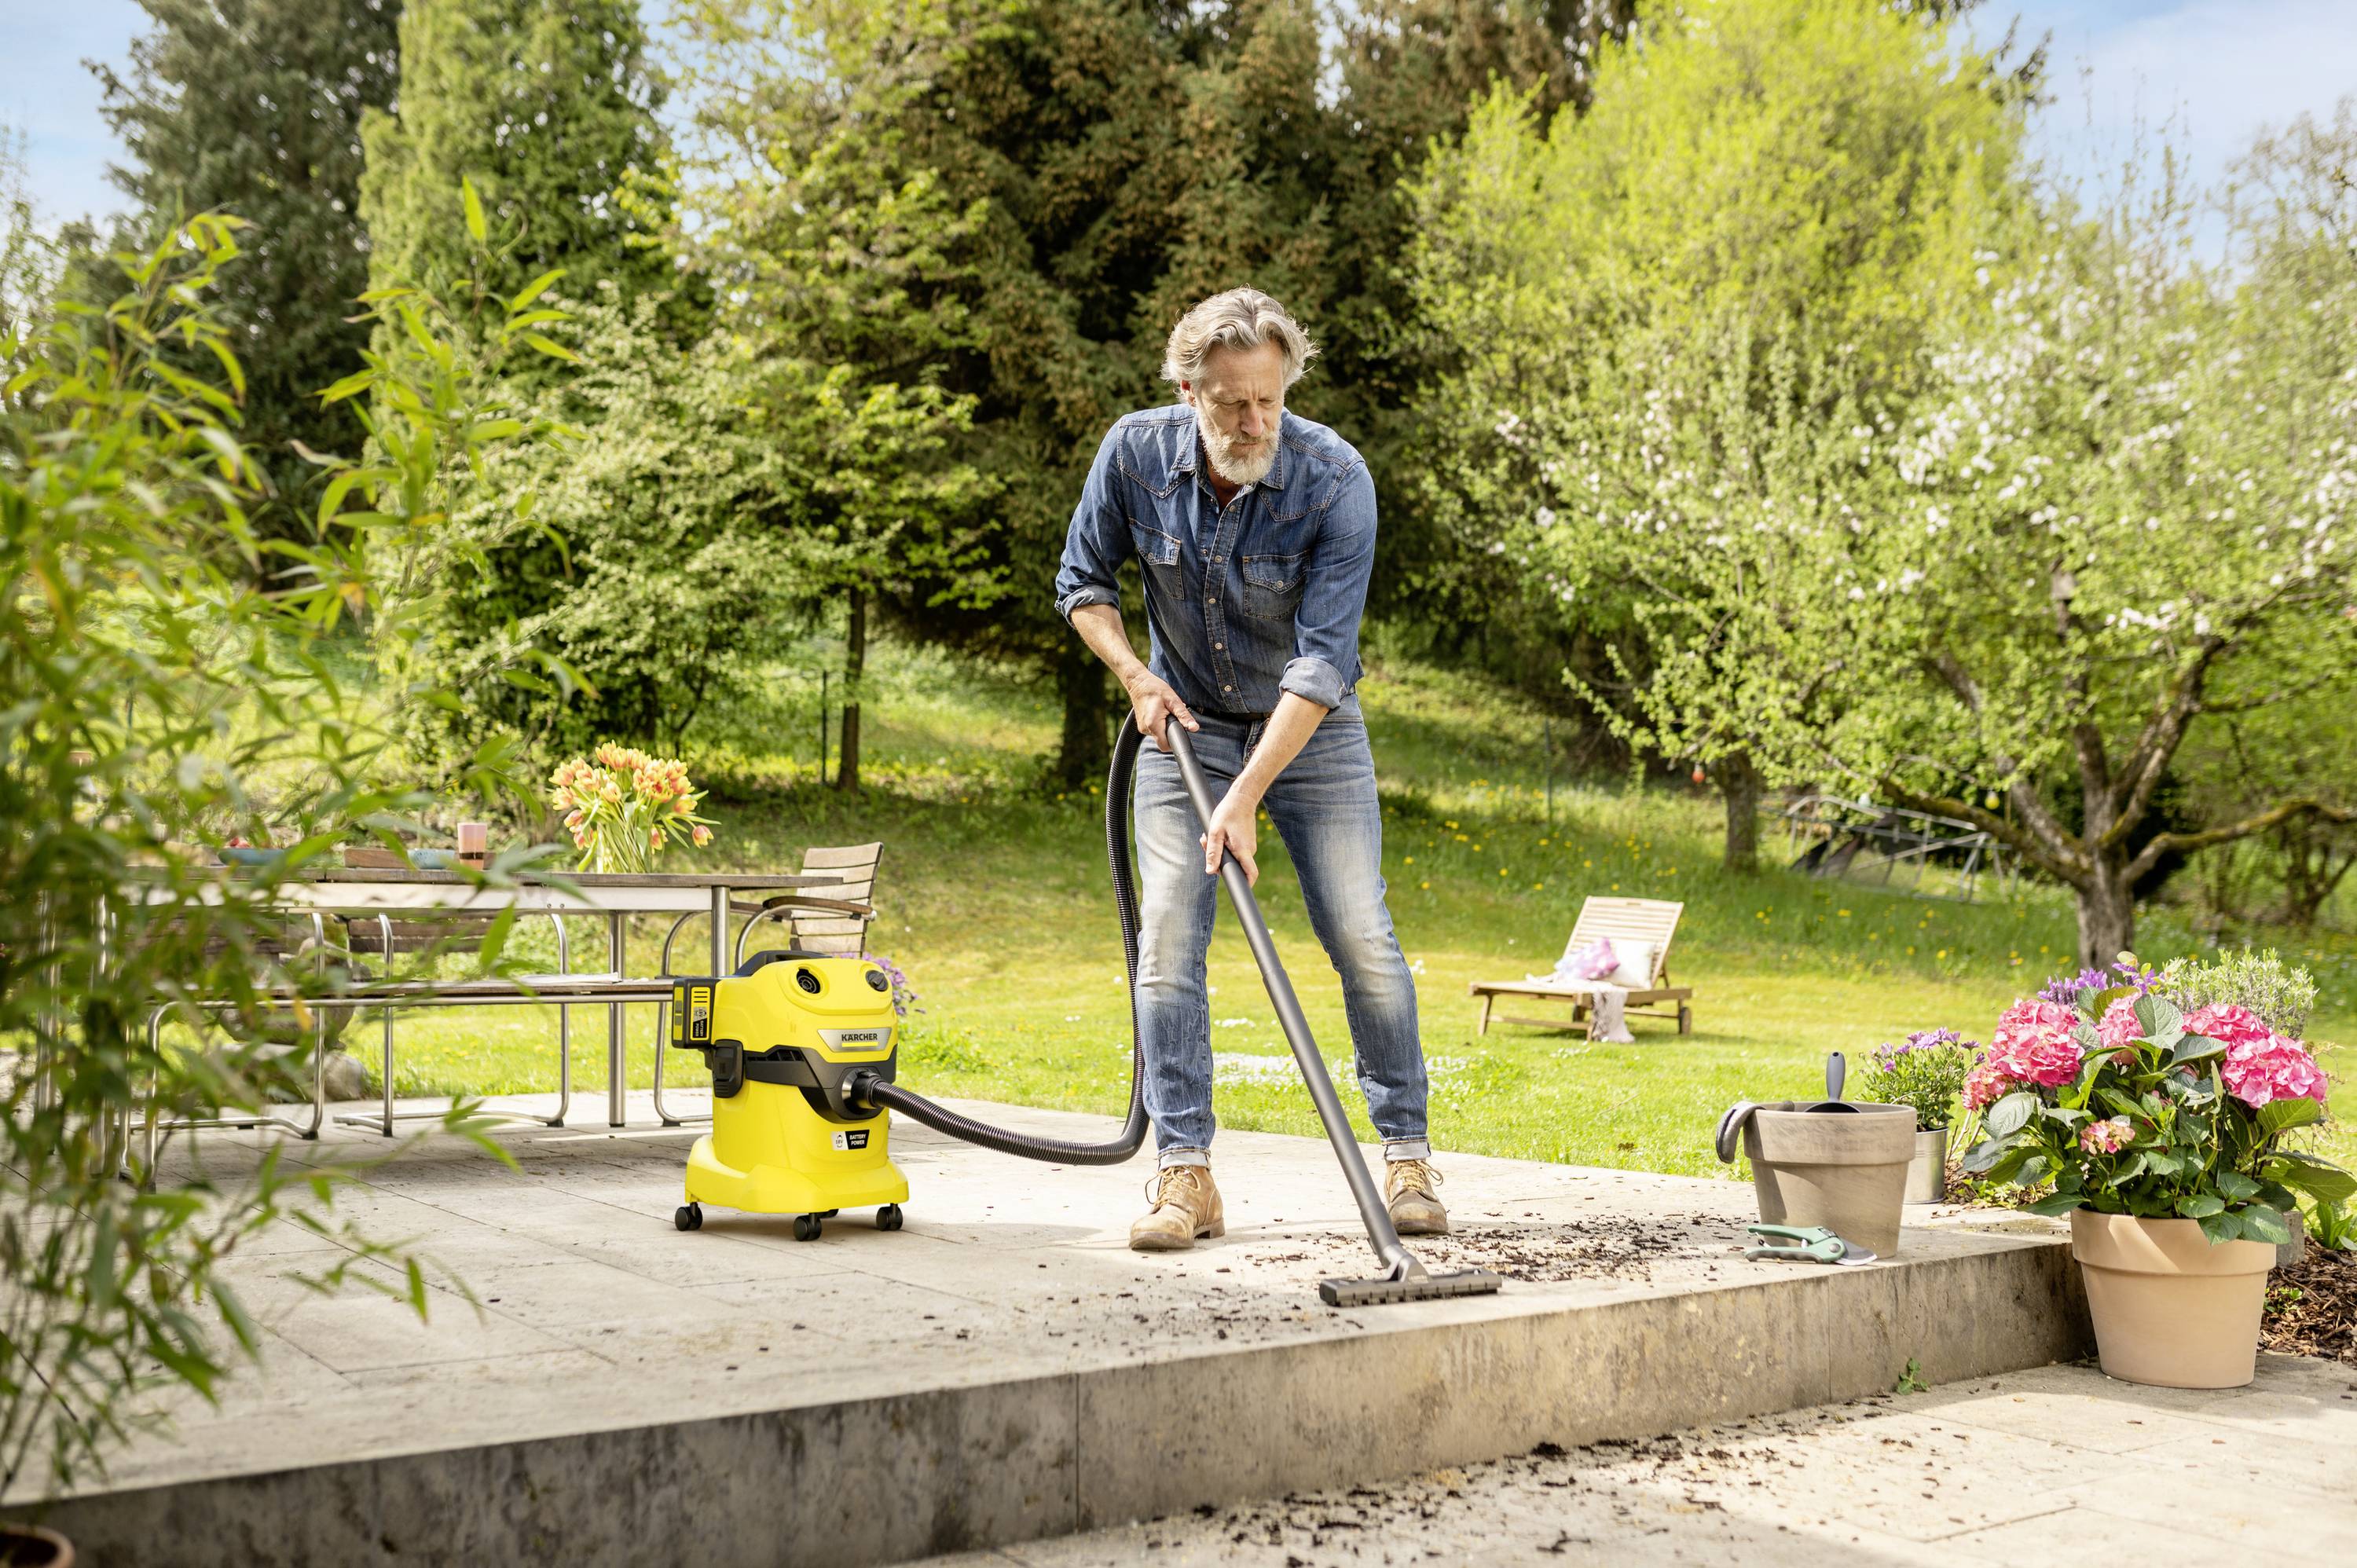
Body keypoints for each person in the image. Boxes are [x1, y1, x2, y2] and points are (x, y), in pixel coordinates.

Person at [1054, 287, 1446, 1252]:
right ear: (1190, 389)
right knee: (1168, 939)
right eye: (1231, 402)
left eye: (1268, 400)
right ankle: (1184, 1174)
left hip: (1311, 734)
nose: (1253, 422)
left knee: (1359, 931)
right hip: (1180, 722)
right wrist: (1136, 677)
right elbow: (1082, 582)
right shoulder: (1136, 455)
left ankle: (1407, 1156)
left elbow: (1321, 665)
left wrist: (1244, 796)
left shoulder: (1332, 477)